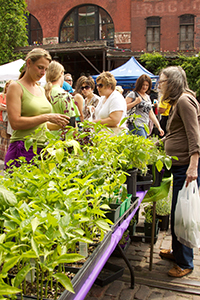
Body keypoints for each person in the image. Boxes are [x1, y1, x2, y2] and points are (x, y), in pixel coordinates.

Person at [158, 66, 200, 278]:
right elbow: (177, 132)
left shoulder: (184, 101)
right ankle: (177, 253)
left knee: (182, 215)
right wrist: (160, 142)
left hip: (186, 167)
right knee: (177, 212)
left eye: (163, 81)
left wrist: (193, 165)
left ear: (172, 82)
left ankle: (185, 263)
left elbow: (194, 135)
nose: (160, 85)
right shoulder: (177, 102)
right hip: (180, 165)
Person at [4, 48, 69, 169]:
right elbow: (15, 123)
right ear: (29, 63)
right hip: (22, 148)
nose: (43, 72)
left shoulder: (40, 88)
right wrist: (47, 117)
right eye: (40, 67)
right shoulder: (16, 87)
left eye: (46, 69)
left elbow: (40, 125)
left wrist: (60, 124)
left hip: (42, 150)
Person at [44, 61, 79, 126]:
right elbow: (72, 123)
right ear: (61, 73)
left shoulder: (40, 92)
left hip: (43, 134)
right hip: (62, 135)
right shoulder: (64, 95)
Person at [0, 80, 12, 160]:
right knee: (4, 139)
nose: (8, 88)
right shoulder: (2, 96)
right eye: (7, 86)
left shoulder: (13, 96)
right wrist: (7, 108)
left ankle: (8, 157)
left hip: (11, 120)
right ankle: (4, 158)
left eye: (9, 86)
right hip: (2, 119)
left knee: (10, 139)